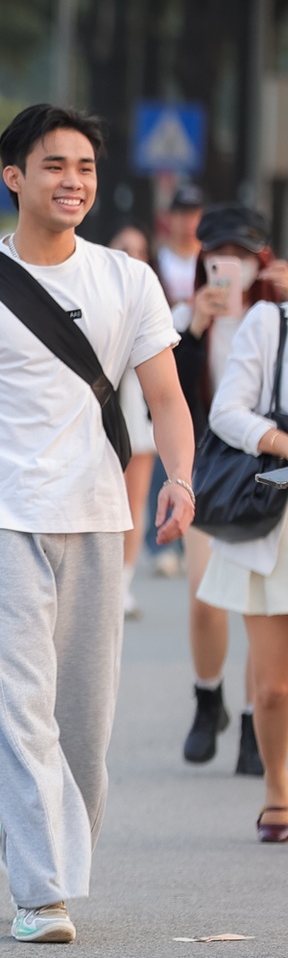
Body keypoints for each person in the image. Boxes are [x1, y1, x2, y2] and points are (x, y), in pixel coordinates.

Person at [0, 104, 194, 944]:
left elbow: (167, 398)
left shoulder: (126, 280)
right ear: (14, 177)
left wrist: (181, 477)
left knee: (86, 731)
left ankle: (30, 838)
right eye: (56, 166)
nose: (74, 182)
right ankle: (40, 892)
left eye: (87, 169)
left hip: (101, 519)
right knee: (15, 706)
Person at [177, 205, 280, 774]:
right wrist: (194, 326)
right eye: (220, 257)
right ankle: (207, 697)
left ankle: (250, 721)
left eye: (243, 257)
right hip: (208, 470)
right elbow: (165, 397)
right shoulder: (186, 317)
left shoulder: (277, 318)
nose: (230, 268)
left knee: (260, 599)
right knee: (203, 596)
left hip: (269, 469)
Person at [197, 249, 288, 840]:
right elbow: (226, 413)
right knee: (276, 687)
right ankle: (278, 789)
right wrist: (280, 442)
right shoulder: (270, 322)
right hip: (275, 518)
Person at [108, 224, 160, 619]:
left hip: (137, 411)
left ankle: (122, 586)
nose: (131, 255)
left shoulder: (152, 300)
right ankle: (100, 583)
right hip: (98, 411)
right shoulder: (92, 293)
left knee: (133, 500)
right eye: (123, 247)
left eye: (139, 249)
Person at [156, 183, 206, 304]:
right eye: (182, 215)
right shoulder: (157, 259)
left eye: (194, 215)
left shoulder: (209, 258)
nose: (188, 223)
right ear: (170, 217)